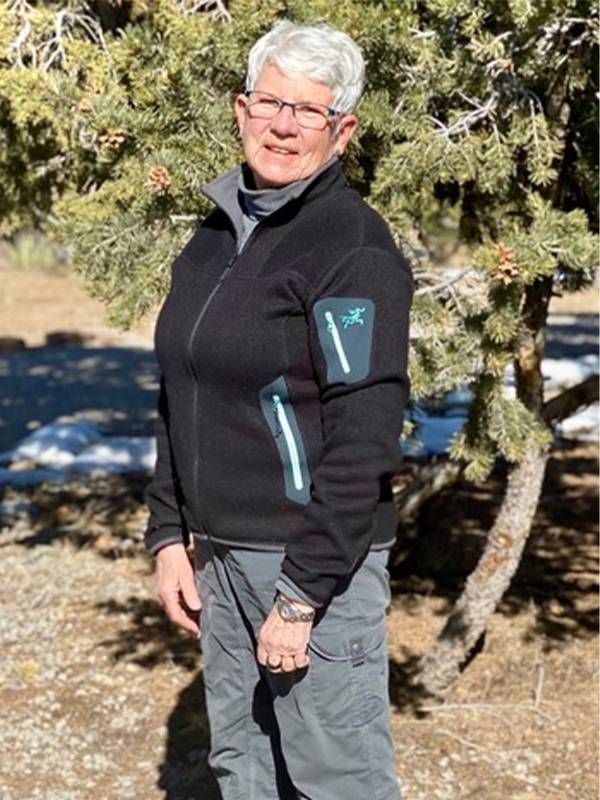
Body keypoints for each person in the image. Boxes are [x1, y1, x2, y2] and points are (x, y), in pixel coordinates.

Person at [145, 19, 413, 800]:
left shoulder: (350, 246)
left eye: (310, 111)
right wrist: (168, 532)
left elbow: (366, 432)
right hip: (221, 556)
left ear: (343, 131)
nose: (284, 124)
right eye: (270, 102)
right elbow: (180, 386)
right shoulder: (214, 232)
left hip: (309, 565)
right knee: (244, 766)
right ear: (241, 108)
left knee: (338, 780)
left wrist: (302, 596)